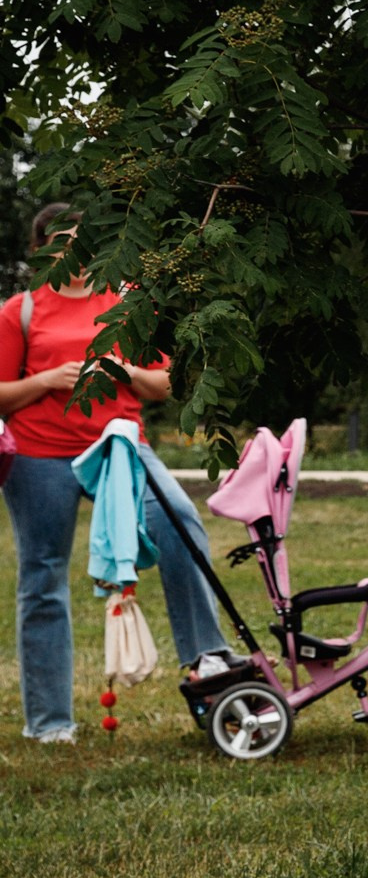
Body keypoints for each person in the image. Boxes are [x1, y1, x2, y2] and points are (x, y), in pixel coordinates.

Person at [1, 204, 233, 742]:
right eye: (62, 243)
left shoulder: (128, 300)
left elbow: (165, 383)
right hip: (40, 456)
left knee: (178, 523)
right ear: (41, 252)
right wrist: (46, 381)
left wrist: (120, 369)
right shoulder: (22, 310)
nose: (74, 254)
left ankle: (210, 660)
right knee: (42, 580)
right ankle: (50, 723)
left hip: (121, 448)